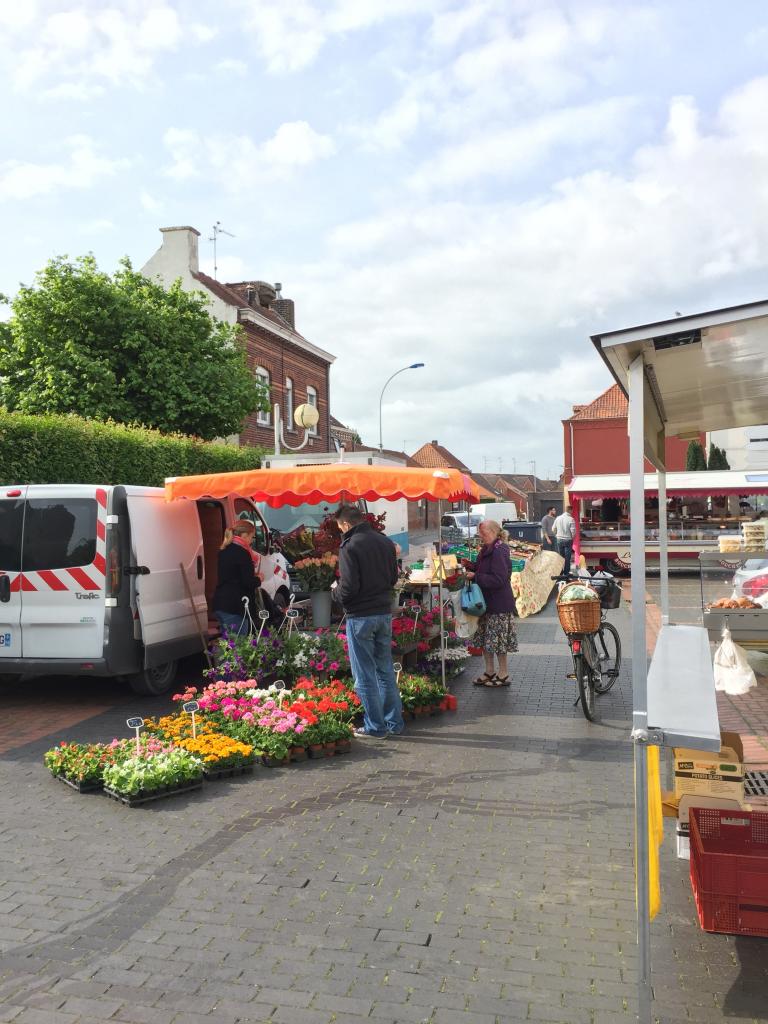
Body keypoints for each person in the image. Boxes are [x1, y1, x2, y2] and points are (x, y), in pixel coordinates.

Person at [336, 504, 405, 738]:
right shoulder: (385, 541)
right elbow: (394, 577)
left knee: (364, 673)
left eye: (340, 527)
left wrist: (335, 593)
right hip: (383, 612)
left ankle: (375, 727)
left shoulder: (349, 546)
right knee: (385, 670)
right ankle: (394, 722)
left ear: (346, 524)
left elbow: (348, 587)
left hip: (360, 616)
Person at [465, 520, 518, 687]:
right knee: (486, 640)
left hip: (499, 604)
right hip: (485, 603)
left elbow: (499, 579)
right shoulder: (487, 548)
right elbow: (484, 569)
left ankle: (503, 674)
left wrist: (475, 577)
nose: (481, 536)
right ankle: (489, 671)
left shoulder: (498, 551)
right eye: (480, 533)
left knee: (499, 642)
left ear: (494, 532)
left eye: (484, 533)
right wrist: (470, 566)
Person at [213, 521, 281, 634]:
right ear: (244, 535)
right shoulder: (242, 553)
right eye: (251, 537)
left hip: (221, 603)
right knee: (238, 645)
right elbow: (247, 582)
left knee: (228, 644)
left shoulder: (224, 550)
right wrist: (259, 578)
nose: (251, 540)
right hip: (236, 606)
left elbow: (232, 575)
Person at [552, 504, 577, 576]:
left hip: (559, 539)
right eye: (572, 510)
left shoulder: (558, 518)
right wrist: (572, 537)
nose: (572, 512)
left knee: (560, 556)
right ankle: (566, 573)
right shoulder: (571, 519)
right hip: (568, 540)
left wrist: (556, 535)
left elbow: (553, 529)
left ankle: (560, 572)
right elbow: (573, 531)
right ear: (570, 510)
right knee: (567, 557)